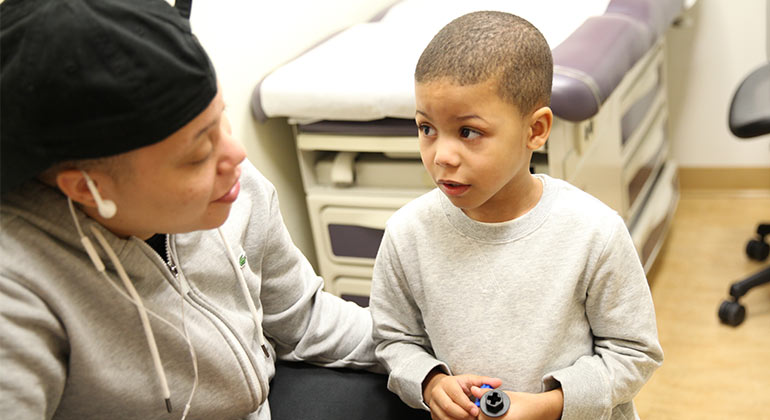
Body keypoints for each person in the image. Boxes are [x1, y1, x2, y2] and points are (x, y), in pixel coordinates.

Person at [0, 1, 384, 419]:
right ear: (86, 187)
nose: (235, 154)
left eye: (221, 120)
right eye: (198, 152)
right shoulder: (16, 293)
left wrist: (427, 351)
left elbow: (304, 319)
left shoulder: (232, 186)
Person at [369, 11, 664, 420]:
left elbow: (634, 353)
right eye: (426, 128)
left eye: (468, 132)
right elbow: (392, 340)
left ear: (536, 130)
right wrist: (430, 382)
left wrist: (550, 406)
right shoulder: (407, 234)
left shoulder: (593, 233)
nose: (441, 156)